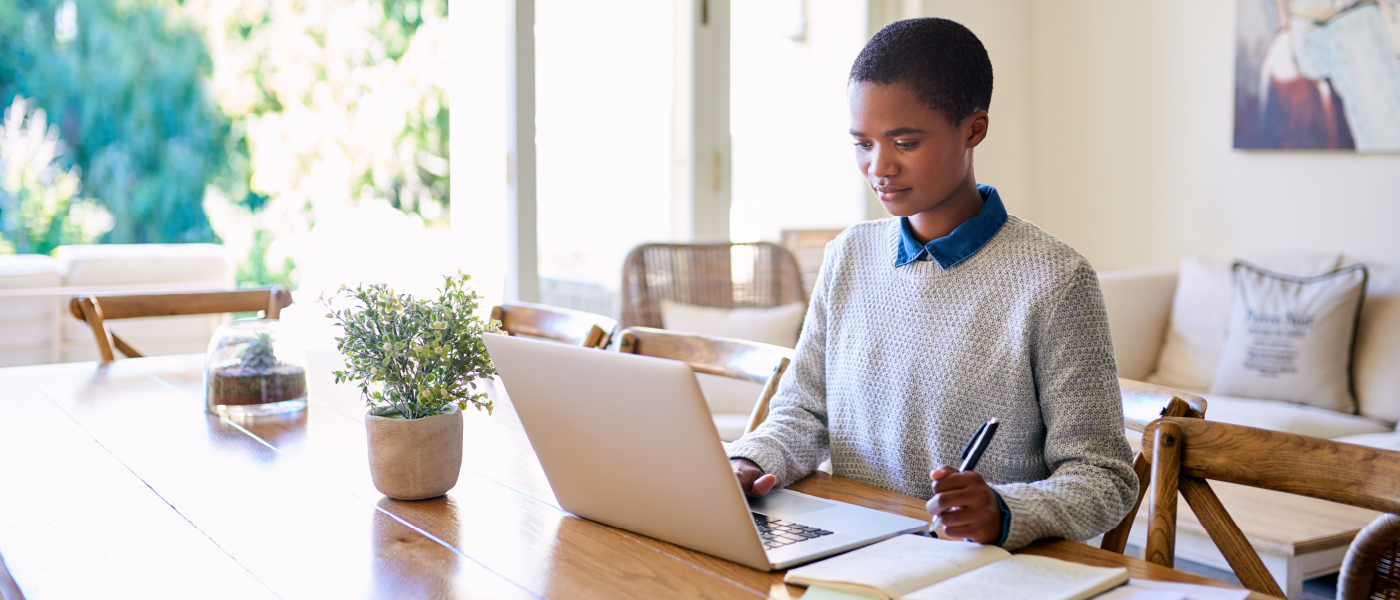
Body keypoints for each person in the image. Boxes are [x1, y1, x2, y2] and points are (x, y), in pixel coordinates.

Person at [725, 18, 1137, 550]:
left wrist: (1005, 510)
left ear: (973, 129)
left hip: (973, 568)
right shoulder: (848, 255)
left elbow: (1105, 478)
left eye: (905, 141)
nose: (880, 167)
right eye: (862, 143)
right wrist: (749, 459)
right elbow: (802, 412)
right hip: (843, 549)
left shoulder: (1056, 281)